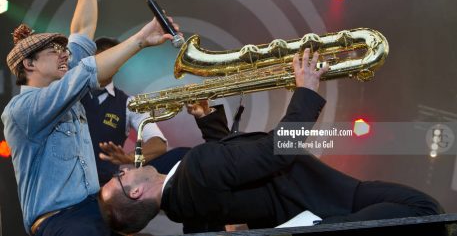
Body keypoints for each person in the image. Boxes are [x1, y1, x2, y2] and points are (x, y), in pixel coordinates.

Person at [99, 49, 444, 235]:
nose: (125, 169)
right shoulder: (194, 173)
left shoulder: (183, 202)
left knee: (424, 214)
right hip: (323, 201)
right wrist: (305, 90)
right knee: (424, 210)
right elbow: (275, 153)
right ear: (137, 194)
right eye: (120, 179)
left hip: (324, 193)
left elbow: (234, 170)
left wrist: (207, 119)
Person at [1, 0, 179, 235]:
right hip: (63, 222)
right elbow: (87, 69)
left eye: (63, 49)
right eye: (53, 51)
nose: (63, 54)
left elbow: (82, 31)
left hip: (95, 208)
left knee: (181, 162)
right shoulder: (22, 110)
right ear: (29, 64)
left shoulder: (65, 82)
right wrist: (140, 40)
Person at [81, 37, 167, 186]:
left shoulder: (130, 104)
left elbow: (159, 143)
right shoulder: (69, 93)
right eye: (102, 58)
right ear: (91, 61)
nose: (108, 63)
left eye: (113, 59)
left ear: (120, 64)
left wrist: (130, 157)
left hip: (101, 192)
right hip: (59, 188)